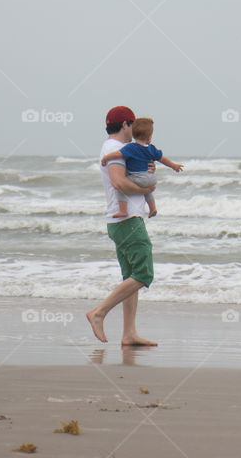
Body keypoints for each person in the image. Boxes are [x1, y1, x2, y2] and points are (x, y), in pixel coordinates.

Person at [86, 106, 158, 346]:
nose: (135, 129)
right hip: (127, 221)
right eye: (133, 124)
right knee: (143, 273)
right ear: (126, 125)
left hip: (122, 220)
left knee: (130, 276)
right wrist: (147, 190)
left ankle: (129, 333)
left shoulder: (117, 149)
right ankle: (99, 312)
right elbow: (118, 182)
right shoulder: (115, 148)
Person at [100, 117, 183, 218]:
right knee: (146, 189)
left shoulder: (131, 147)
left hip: (138, 177)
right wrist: (174, 166)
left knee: (120, 188)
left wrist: (106, 158)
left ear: (134, 134)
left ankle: (123, 210)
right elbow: (162, 158)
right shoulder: (151, 148)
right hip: (150, 178)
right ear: (149, 137)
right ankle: (153, 208)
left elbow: (118, 154)